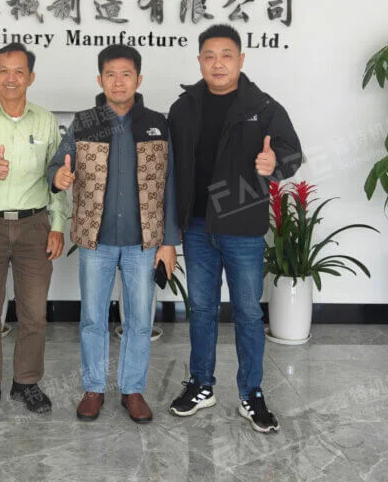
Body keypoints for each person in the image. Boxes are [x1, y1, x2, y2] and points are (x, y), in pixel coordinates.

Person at [167, 23, 302, 433]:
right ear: (199, 61)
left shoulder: (263, 106)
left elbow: (292, 153)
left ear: (241, 59)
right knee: (201, 309)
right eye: (209, 56)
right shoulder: (183, 108)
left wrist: (273, 164)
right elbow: (170, 171)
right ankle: (201, 384)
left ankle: (251, 393)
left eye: (226, 55)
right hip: (197, 226)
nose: (218, 63)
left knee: (246, 312)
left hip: (242, 226)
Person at [48, 44, 180, 424]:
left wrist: (169, 242)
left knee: (139, 320)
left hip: (144, 242)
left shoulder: (157, 123)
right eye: (111, 75)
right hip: (97, 241)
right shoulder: (85, 122)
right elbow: (57, 164)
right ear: (100, 79)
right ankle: (93, 388)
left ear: (139, 79)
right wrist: (59, 176)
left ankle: (132, 390)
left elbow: (171, 183)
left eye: (126, 74)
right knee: (92, 318)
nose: (118, 82)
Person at [0, 42, 68, 415]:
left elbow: (56, 177)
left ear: (30, 77)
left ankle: (27, 383)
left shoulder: (45, 120)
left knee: (34, 313)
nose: (11, 78)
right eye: (4, 70)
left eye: (19, 71)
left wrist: (57, 224)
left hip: (34, 225)